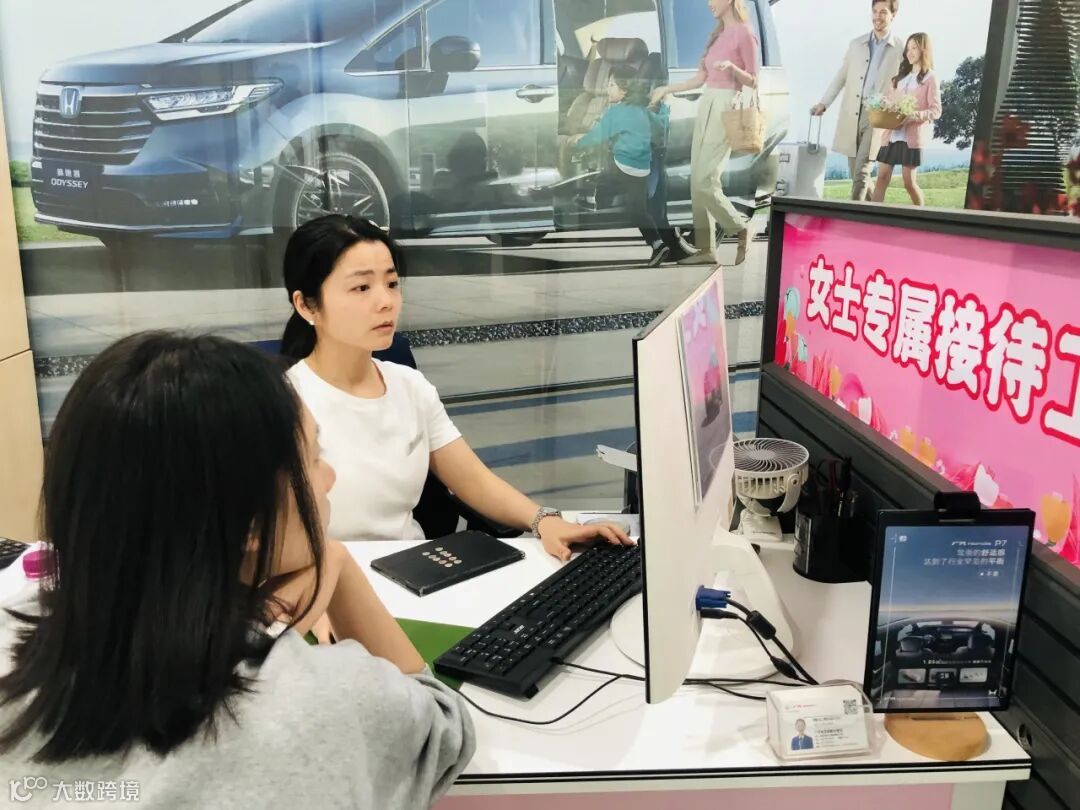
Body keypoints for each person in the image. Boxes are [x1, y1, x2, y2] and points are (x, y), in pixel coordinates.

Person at [0, 332, 474, 807]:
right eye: (314, 458)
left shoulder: (15, 651)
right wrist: (335, 568)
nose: (330, 477)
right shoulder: (320, 703)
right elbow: (442, 731)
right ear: (250, 521)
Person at [280, 214, 632, 561]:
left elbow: (474, 481)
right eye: (362, 288)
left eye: (392, 283)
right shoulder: (282, 403)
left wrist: (546, 521)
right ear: (307, 305)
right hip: (329, 580)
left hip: (411, 569)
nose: (385, 301)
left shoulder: (409, 386)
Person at [650, 0, 759, 267]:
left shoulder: (745, 32)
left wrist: (733, 69)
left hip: (726, 105)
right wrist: (666, 89)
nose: (709, 3)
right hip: (707, 103)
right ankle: (706, 249)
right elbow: (699, 79)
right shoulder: (717, 36)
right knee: (696, 182)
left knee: (705, 179)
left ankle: (741, 227)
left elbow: (754, 79)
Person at [573, 67, 673, 267]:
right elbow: (660, 126)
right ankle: (658, 244)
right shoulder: (643, 111)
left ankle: (592, 199)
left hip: (621, 165)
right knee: (638, 211)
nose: (607, 88)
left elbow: (598, 136)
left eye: (611, 85)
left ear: (624, 90)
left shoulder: (616, 112)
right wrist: (663, 108)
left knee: (594, 179)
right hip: (641, 169)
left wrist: (577, 143)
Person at [810, 0, 904, 201]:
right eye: (875, 11)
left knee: (862, 170)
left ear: (893, 15)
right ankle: (874, 211)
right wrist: (824, 103)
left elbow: (907, 83)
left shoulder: (900, 48)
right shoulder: (856, 45)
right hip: (852, 113)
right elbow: (841, 76)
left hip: (878, 116)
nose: (877, 16)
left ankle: (851, 215)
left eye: (883, 12)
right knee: (856, 173)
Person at [871, 33, 942, 206]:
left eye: (914, 48)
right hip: (891, 136)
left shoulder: (930, 78)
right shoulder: (899, 78)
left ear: (923, 50)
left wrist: (915, 115)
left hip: (911, 139)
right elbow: (889, 101)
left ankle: (922, 215)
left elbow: (936, 110)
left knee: (908, 182)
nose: (909, 52)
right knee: (882, 177)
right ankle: (872, 214)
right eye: (908, 49)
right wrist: (883, 105)